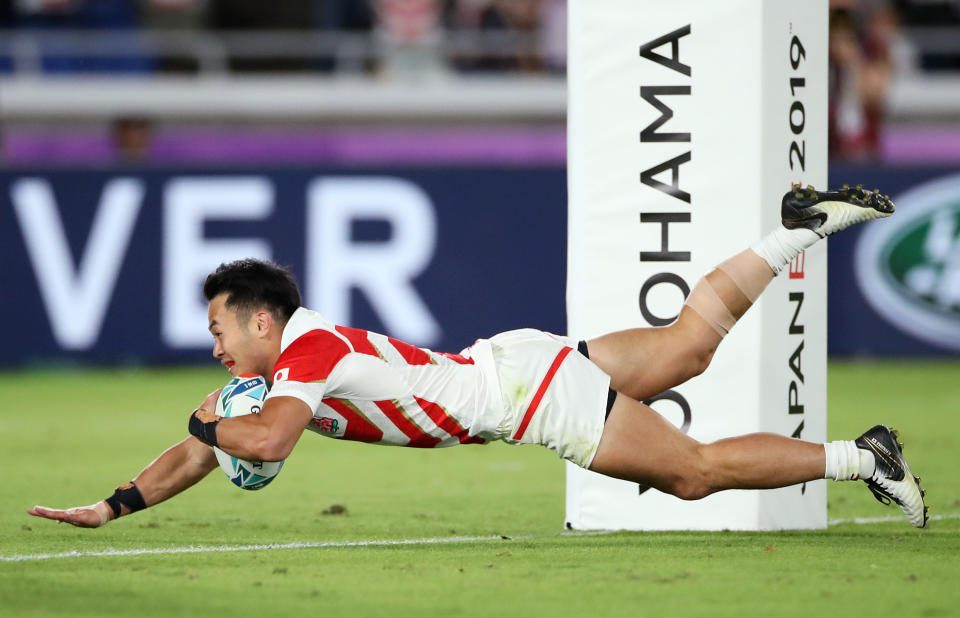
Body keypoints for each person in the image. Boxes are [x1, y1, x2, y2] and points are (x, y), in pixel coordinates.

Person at [28, 184, 928, 529]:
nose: (215, 350)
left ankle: (863, 456)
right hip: (513, 360)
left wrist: (212, 420)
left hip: (524, 397)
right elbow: (206, 444)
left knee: (689, 474)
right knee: (688, 348)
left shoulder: (304, 357)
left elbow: (257, 444)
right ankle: (793, 231)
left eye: (221, 331)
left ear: (263, 322)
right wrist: (115, 504)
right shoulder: (285, 366)